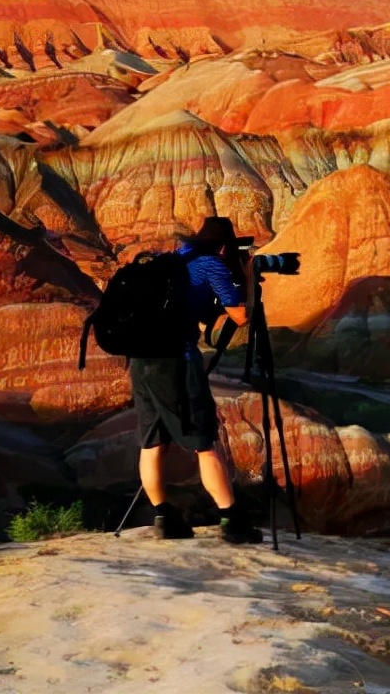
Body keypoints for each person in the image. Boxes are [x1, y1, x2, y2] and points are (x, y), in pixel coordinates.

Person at [129, 216, 261, 543]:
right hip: (177, 363)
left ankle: (164, 518)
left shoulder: (168, 259)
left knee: (153, 441)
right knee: (204, 442)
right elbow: (241, 316)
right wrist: (245, 279)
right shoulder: (210, 265)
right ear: (222, 245)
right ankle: (232, 521)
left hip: (140, 361)